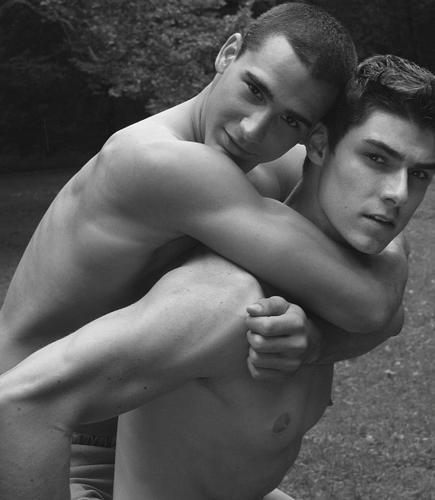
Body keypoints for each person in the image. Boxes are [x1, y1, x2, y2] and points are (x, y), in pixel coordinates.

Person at [1, 54, 434, 500]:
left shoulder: (336, 287)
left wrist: (319, 342)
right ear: (319, 146)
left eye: (419, 173)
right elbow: (18, 404)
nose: (398, 194)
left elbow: (389, 305)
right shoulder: (221, 301)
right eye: (377, 158)